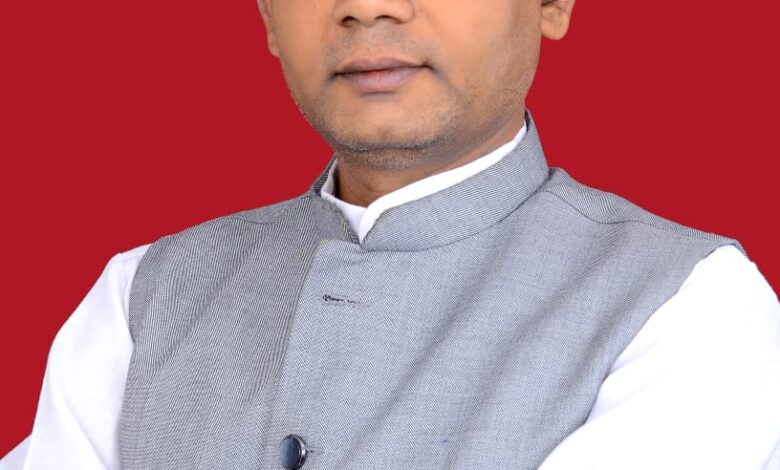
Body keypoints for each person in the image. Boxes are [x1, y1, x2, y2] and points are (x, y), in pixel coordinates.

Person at [2, 0, 779, 468]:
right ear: (267, 16)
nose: (368, 7)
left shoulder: (693, 307)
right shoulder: (144, 296)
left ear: (552, 2)